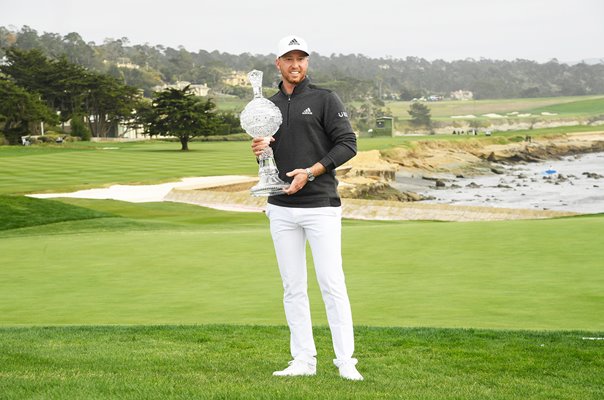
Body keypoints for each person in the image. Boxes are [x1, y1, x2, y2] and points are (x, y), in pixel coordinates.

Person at [251, 35, 363, 381]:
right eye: (289, 58)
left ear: (307, 63)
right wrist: (261, 147)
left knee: (331, 283)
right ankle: (303, 359)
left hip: (321, 204)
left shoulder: (325, 99)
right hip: (280, 206)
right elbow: (268, 152)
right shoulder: (266, 106)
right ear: (278, 64)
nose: (295, 64)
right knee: (293, 287)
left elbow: (348, 144)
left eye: (301, 58)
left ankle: (345, 360)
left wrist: (312, 172)